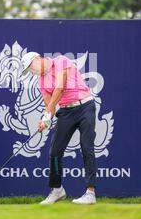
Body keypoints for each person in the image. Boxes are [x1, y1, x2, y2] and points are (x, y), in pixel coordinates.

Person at [20, 52, 97, 205]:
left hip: (85, 107)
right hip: (66, 112)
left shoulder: (61, 60)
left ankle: (90, 193)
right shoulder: (41, 81)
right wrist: (46, 119)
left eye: (30, 67)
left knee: (87, 148)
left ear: (37, 59)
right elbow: (50, 105)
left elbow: (60, 88)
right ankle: (57, 190)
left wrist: (47, 113)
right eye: (28, 70)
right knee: (55, 152)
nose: (31, 71)